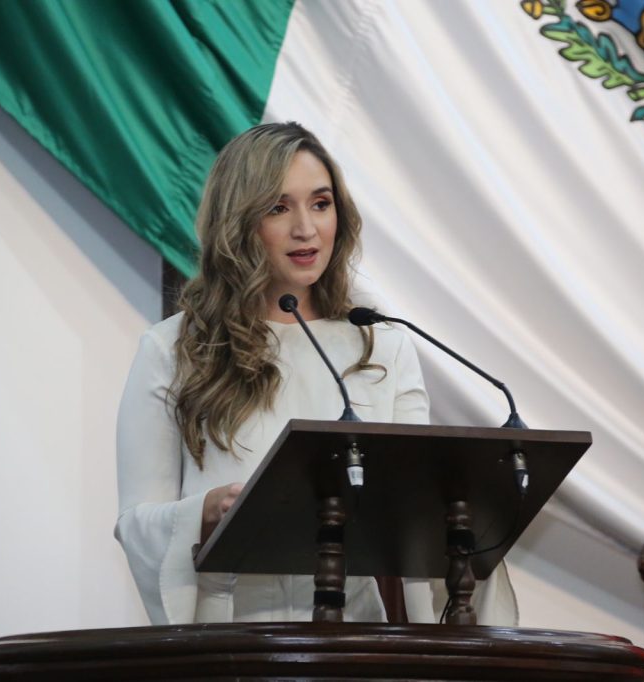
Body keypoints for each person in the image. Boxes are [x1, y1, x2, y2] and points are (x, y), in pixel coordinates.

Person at [114, 122, 517, 625]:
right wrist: (206, 510)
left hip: (354, 640)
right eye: (278, 208)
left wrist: (467, 521)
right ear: (237, 222)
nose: (306, 229)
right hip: (229, 635)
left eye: (321, 204)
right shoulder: (173, 349)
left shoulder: (381, 345)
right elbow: (136, 525)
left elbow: (414, 513)